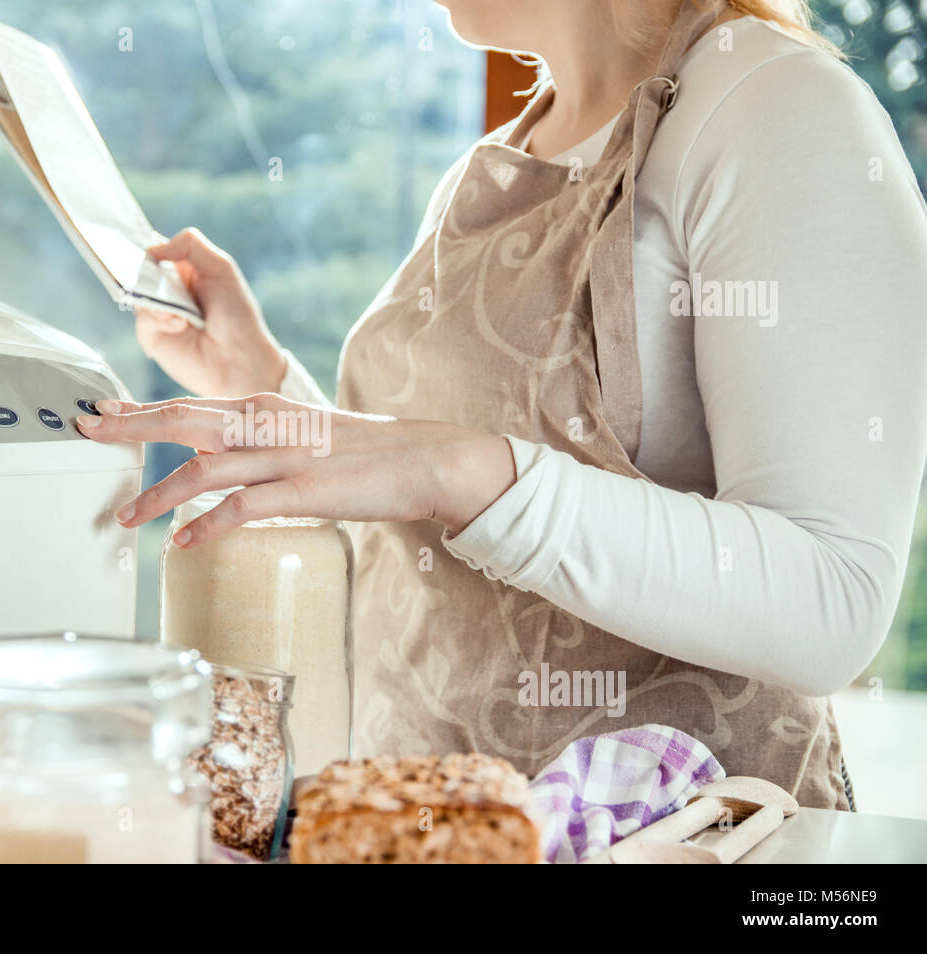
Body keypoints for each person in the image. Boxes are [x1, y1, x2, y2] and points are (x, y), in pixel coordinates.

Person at [76, 0, 927, 807]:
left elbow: (834, 600)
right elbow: (437, 527)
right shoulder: (503, 158)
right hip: (446, 832)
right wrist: (255, 375)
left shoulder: (777, 110)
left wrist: (451, 468)